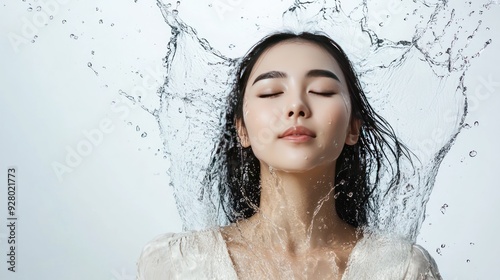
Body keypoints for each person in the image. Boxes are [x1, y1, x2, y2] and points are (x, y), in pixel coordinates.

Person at [137, 31, 441, 279]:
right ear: (241, 130)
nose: (296, 106)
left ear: (353, 128)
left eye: (322, 90)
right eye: (271, 92)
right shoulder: (175, 265)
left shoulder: (403, 269)